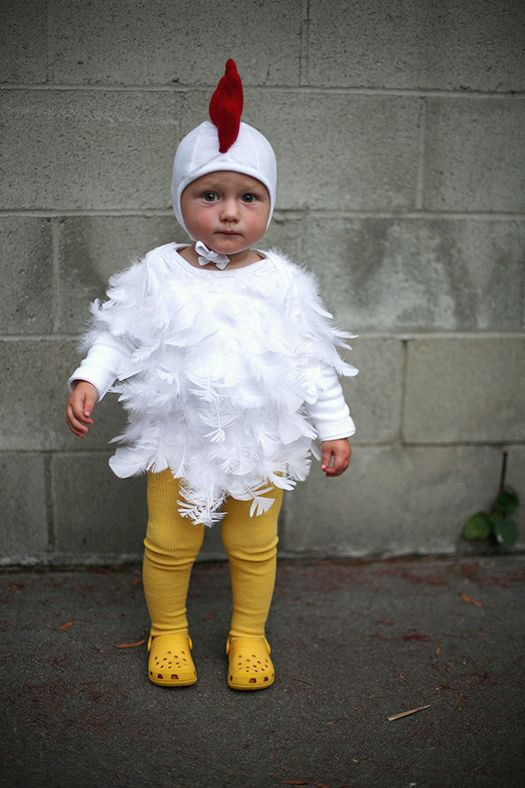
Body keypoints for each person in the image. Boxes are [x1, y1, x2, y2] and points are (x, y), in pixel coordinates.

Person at [65, 59, 359, 691]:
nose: (229, 213)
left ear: (269, 207)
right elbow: (118, 332)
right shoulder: (159, 270)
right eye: (210, 195)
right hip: (177, 439)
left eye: (247, 197)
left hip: (262, 439)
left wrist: (333, 426)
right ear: (181, 201)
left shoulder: (280, 280)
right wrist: (90, 378)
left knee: (255, 547)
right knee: (170, 542)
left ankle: (248, 634)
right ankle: (168, 629)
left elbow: (312, 358)